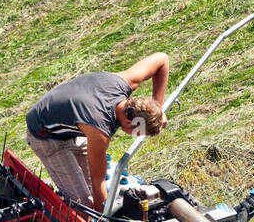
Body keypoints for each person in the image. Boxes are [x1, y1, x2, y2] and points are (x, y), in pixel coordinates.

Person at [24, 53, 170, 211]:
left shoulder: (125, 82)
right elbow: (98, 181)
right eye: (139, 132)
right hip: (45, 135)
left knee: (91, 190)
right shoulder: (99, 132)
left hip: (70, 123)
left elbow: (162, 59)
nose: (138, 136)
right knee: (85, 205)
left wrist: (158, 108)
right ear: (129, 122)